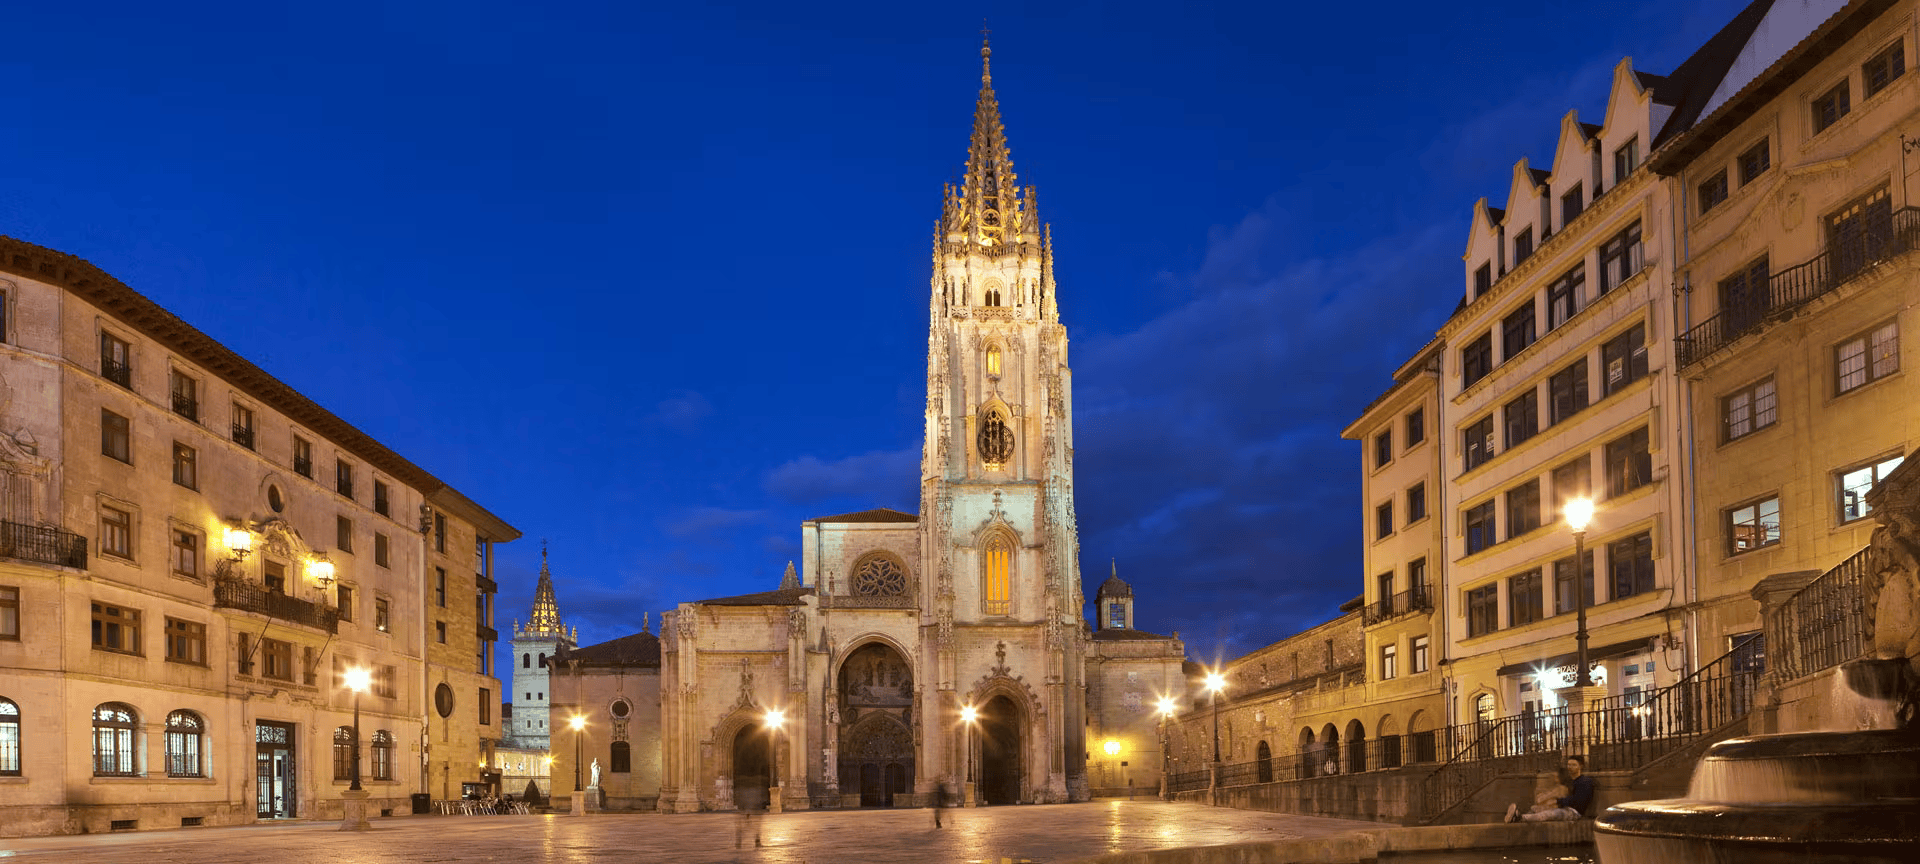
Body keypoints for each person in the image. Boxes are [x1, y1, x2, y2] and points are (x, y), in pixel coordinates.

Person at [1506, 755, 1594, 822]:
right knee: (1535, 808)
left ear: (1580, 766)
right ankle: (1517, 815)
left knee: (1548, 814)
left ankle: (1520, 818)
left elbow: (1578, 800)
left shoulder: (1585, 781)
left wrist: (1557, 801)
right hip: (1563, 807)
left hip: (1574, 812)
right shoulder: (1568, 781)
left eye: (1574, 765)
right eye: (1569, 765)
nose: (1570, 767)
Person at [735, 785, 765, 849]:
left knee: (751, 827)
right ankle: (739, 842)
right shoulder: (751, 792)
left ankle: (739, 842)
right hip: (749, 812)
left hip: (749, 812)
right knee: (750, 827)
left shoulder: (746, 791)